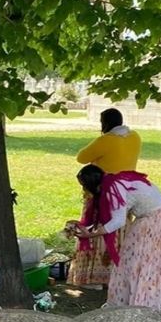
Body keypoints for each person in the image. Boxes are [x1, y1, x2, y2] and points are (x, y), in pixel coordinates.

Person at [69, 165, 161, 310]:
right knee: (140, 260)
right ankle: (144, 301)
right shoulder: (113, 182)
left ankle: (141, 304)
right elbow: (109, 217)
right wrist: (87, 227)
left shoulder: (114, 188)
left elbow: (118, 221)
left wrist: (91, 234)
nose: (83, 190)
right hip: (160, 216)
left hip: (155, 220)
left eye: (84, 186)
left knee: (138, 260)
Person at [69, 108, 141, 287]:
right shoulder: (135, 137)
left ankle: (96, 276)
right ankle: (118, 273)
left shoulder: (106, 140)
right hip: (126, 189)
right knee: (121, 229)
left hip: (103, 188)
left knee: (98, 228)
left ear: (105, 123)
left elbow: (81, 157)